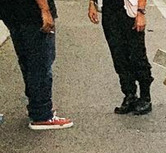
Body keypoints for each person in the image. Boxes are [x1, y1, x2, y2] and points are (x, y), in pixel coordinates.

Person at [0, 0, 73, 129]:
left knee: (27, 60)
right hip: (32, 11)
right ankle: (42, 114)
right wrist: (45, 9)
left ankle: (36, 106)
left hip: (10, 10)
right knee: (40, 62)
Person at [88, 0, 154, 114]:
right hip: (109, 10)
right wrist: (92, 4)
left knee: (137, 54)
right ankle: (129, 94)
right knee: (118, 55)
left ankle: (145, 97)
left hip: (130, 11)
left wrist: (141, 12)